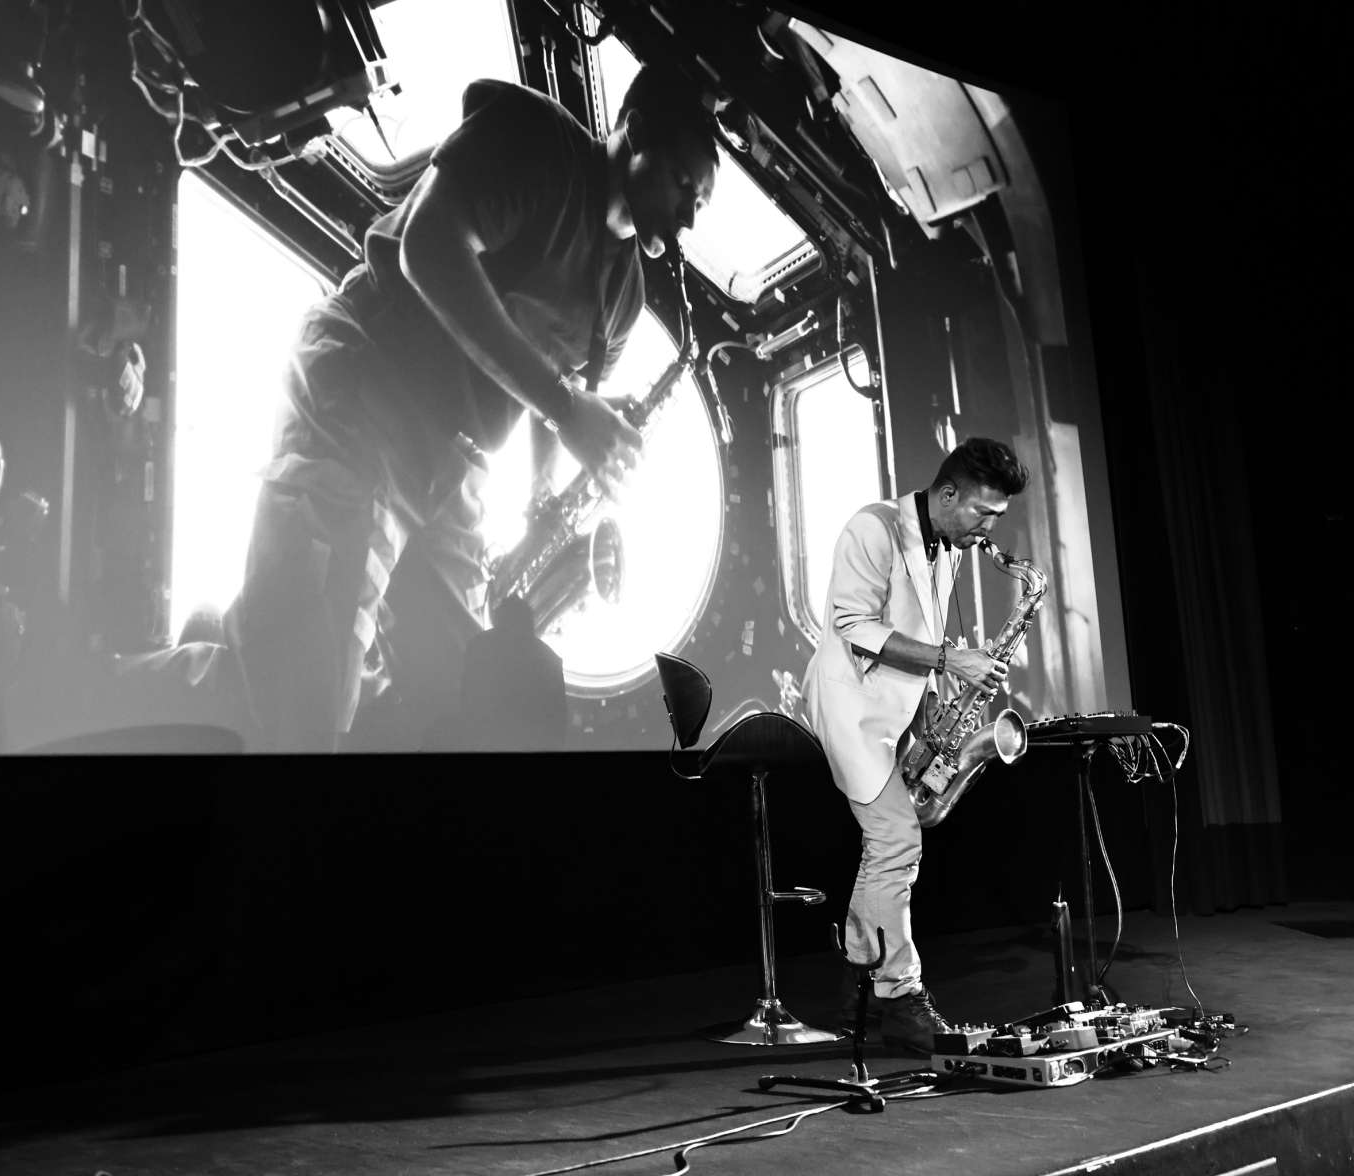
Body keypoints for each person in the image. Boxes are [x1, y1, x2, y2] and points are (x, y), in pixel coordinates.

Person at [90, 65, 721, 752]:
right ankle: (70, 699)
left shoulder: (624, 297)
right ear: (634, 132)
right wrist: (570, 409)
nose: (689, 213)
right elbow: (428, 245)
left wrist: (554, 470)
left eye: (702, 202)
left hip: (451, 467)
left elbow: (548, 390)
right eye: (684, 183)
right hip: (368, 390)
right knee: (289, 704)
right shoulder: (539, 144)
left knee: (456, 709)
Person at [799, 437, 1031, 1054]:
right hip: (851, 708)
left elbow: (918, 634)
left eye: (997, 519)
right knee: (896, 840)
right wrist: (952, 659)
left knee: (889, 847)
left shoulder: (950, 544)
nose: (987, 529)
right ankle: (899, 998)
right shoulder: (871, 528)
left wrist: (934, 713)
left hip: (898, 714)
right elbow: (852, 625)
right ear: (947, 493)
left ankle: (858, 980)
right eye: (981, 513)